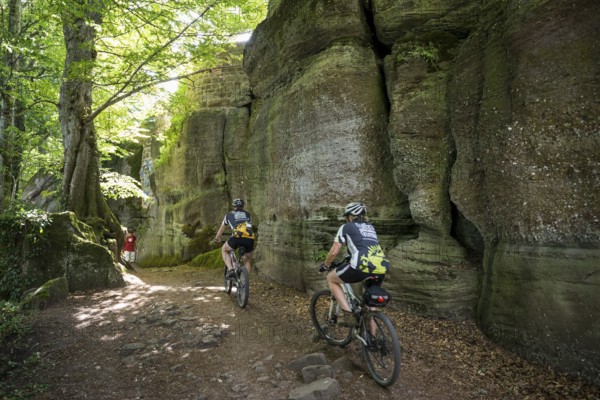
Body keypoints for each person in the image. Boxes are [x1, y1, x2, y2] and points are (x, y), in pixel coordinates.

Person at [320, 202, 389, 327]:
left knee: (331, 278)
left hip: (361, 265)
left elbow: (335, 251)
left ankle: (348, 315)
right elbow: (365, 247)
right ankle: (373, 341)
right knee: (370, 306)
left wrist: (326, 265)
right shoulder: (370, 228)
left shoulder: (346, 227)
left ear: (349, 216)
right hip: (381, 267)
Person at [214, 198, 255, 278]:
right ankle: (244, 282)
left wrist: (217, 238)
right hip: (249, 238)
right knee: (247, 260)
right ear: (242, 206)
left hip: (237, 237)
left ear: (233, 206)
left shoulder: (228, 215)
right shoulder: (248, 214)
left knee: (224, 250)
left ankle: (231, 270)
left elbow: (221, 229)